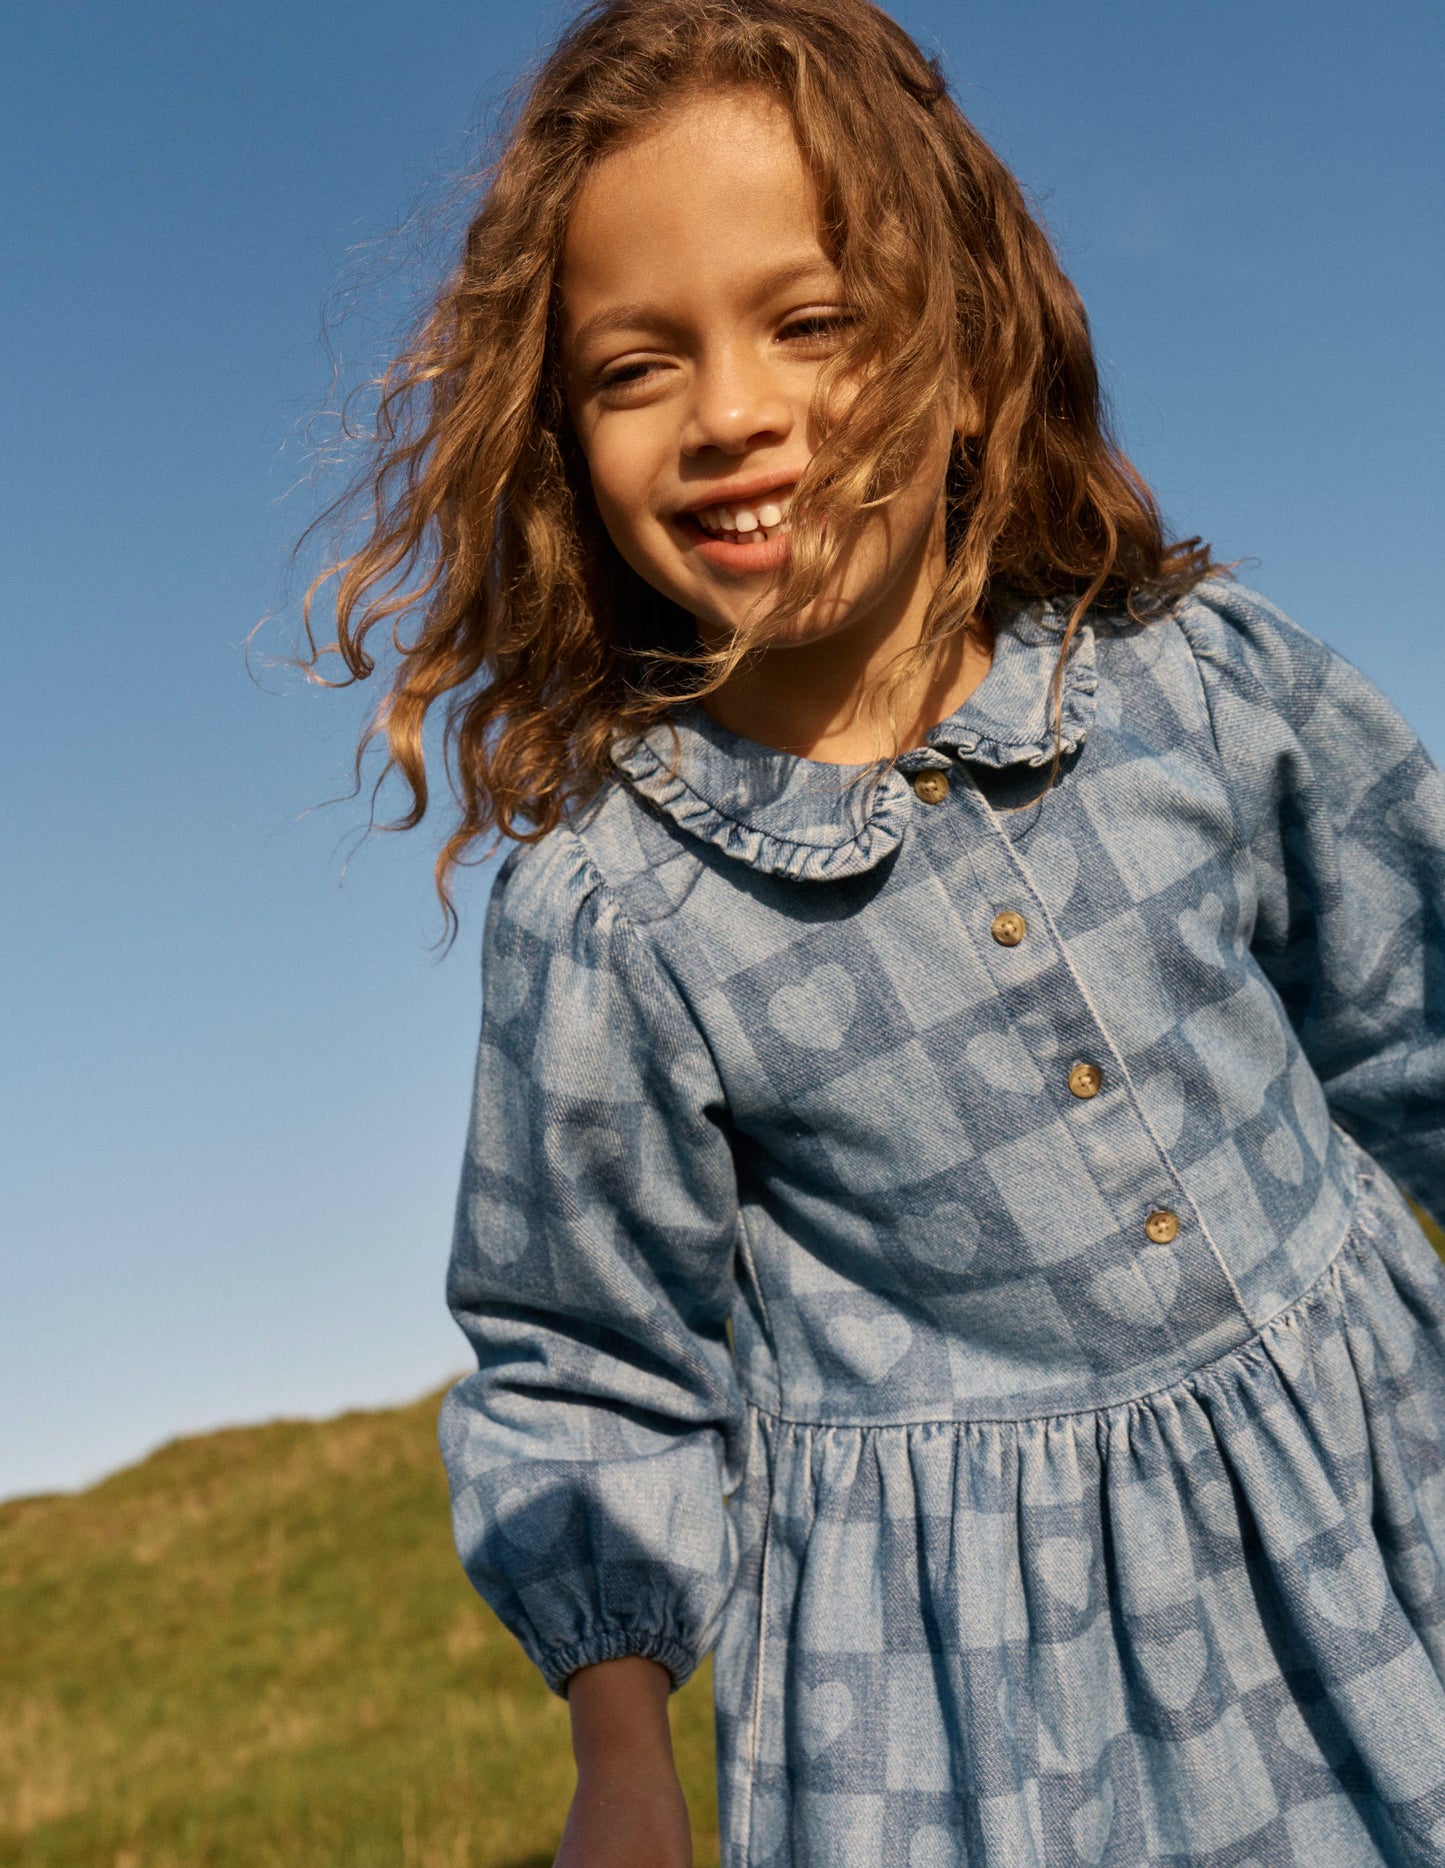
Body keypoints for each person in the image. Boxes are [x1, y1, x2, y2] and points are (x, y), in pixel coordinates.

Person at [307, 0, 1445, 1860]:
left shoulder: (1195, 684)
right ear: (560, 450)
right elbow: (590, 1361)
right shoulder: (617, 913)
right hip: (991, 1711)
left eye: (810, 322)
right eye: (634, 366)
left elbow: (1423, 1016)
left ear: (972, 358)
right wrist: (620, 1761)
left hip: (1386, 1499)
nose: (733, 412)